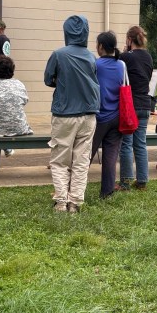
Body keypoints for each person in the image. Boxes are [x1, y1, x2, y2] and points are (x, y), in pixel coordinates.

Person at [44, 15, 100, 213]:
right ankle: (75, 202)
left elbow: (48, 79)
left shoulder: (58, 54)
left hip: (64, 113)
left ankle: (61, 201)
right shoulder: (91, 57)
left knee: (60, 159)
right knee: (81, 160)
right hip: (89, 113)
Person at [118, 25, 154, 191]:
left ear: (129, 39)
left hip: (129, 104)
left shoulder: (125, 57)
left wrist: (125, 52)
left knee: (126, 143)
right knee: (140, 144)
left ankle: (125, 182)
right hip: (145, 103)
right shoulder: (148, 56)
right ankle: (142, 181)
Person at [0, 55, 32, 174]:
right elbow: (24, 101)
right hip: (19, 127)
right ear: (12, 70)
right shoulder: (19, 84)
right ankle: (3, 152)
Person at [90, 31, 124, 199]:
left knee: (86, 155)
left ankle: (73, 189)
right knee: (111, 156)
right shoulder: (121, 65)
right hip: (117, 116)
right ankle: (107, 192)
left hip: (99, 117)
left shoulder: (96, 65)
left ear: (101, 46)